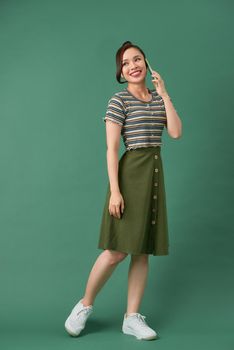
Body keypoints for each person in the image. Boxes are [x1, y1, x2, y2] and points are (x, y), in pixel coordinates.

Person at [64, 41, 182, 341]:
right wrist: (115, 191)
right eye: (126, 62)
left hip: (154, 173)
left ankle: (132, 318)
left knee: (142, 252)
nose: (133, 65)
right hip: (129, 176)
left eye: (138, 59)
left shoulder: (157, 100)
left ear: (146, 64)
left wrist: (165, 93)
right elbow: (111, 149)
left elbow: (176, 132)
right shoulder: (118, 101)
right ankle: (84, 305)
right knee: (116, 251)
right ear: (121, 72)